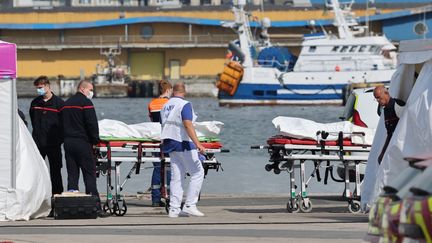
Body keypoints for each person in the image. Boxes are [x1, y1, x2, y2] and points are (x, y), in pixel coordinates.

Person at [61, 80, 109, 218]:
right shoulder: (86, 103)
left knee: (72, 175)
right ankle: (95, 207)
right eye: (90, 89)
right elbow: (92, 124)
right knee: (89, 175)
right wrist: (96, 141)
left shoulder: (66, 104)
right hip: (83, 143)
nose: (91, 93)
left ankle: (71, 207)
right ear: (82, 89)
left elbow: (61, 124)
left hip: (68, 143)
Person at [161, 82, 206, 218]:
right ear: (184, 92)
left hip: (169, 142)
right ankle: (190, 205)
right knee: (198, 172)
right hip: (182, 142)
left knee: (177, 176)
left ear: (173, 91)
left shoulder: (165, 105)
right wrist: (198, 143)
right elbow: (187, 124)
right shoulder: (185, 104)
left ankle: (174, 209)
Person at [29, 76, 64, 196]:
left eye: (40, 87)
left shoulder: (59, 103)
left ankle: (56, 195)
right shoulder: (35, 103)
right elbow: (33, 121)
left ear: (48, 86)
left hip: (54, 144)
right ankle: (39, 196)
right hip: (38, 143)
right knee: (37, 171)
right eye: (37, 88)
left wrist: (59, 139)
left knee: (55, 171)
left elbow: (63, 124)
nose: (38, 90)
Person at [147, 80, 172, 207]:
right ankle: (170, 196)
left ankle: (155, 198)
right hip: (168, 138)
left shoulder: (152, 104)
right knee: (169, 167)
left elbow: (152, 120)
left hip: (155, 139)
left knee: (157, 167)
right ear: (168, 90)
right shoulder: (170, 103)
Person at [373, 85, 406, 164]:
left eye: (379, 97)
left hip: (404, 148)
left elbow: (408, 126)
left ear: (386, 93)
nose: (378, 100)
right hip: (395, 148)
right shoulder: (385, 110)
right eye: (376, 98)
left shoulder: (398, 104)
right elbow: (389, 134)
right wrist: (382, 153)